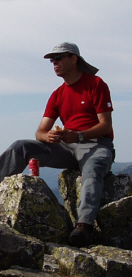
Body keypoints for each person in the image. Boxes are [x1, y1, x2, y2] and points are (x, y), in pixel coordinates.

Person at [0, 42, 115, 248]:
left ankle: (84, 226)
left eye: (58, 58)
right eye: (52, 60)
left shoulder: (96, 84)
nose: (54, 63)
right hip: (66, 147)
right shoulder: (57, 94)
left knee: (92, 168)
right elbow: (40, 131)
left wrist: (78, 136)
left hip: (96, 144)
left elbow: (105, 126)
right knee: (21, 146)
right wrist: (49, 137)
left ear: (74, 59)